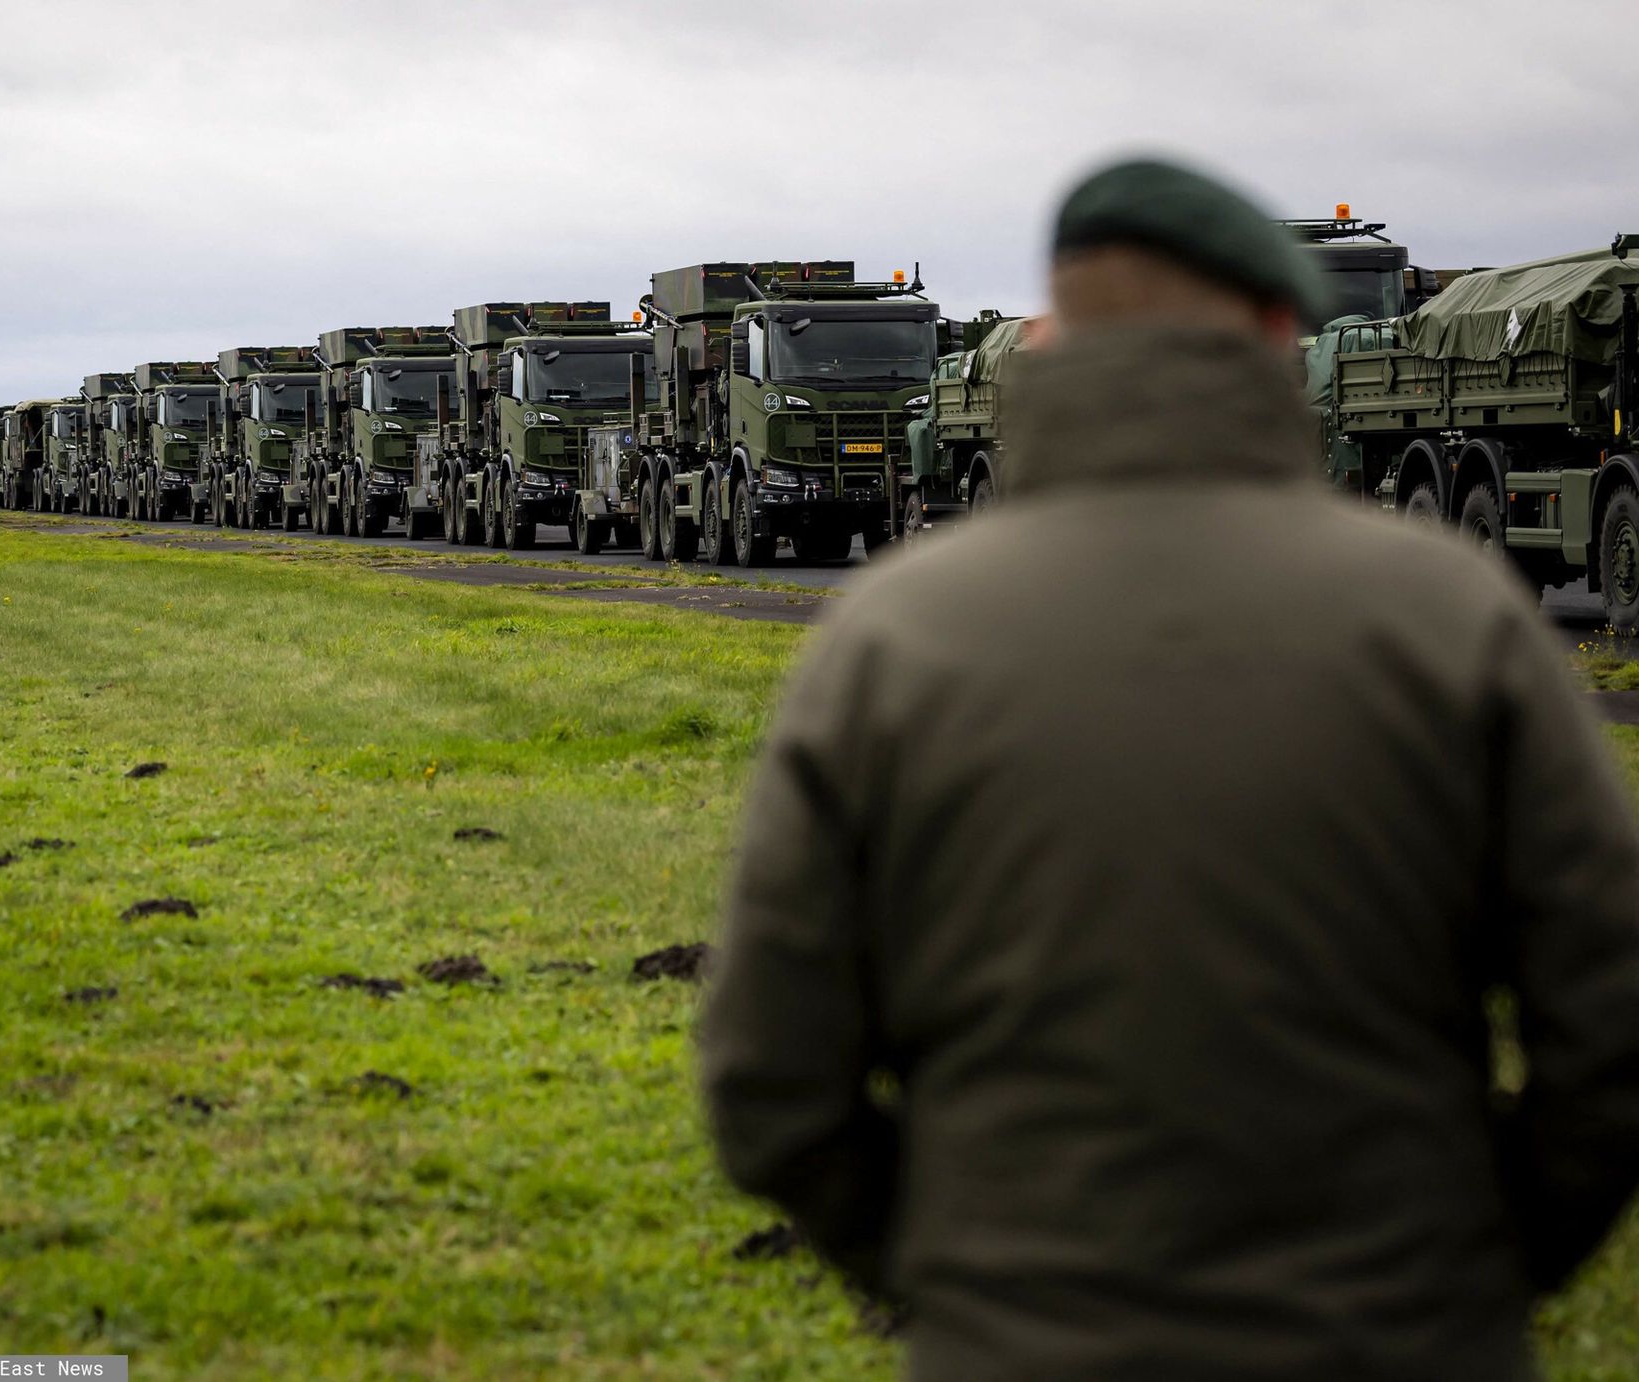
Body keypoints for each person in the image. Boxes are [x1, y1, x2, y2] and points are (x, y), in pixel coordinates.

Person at [699, 156, 1639, 1380]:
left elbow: (771, 1077)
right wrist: (1469, 1267)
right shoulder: (1451, 619)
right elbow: (1611, 1030)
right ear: (1272, 328)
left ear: (1044, 337)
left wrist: (958, 1271)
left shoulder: (891, 640)